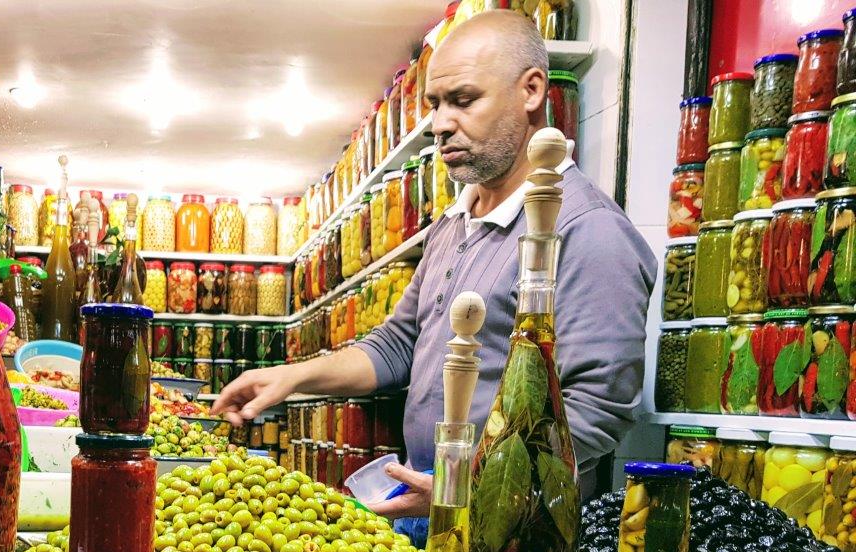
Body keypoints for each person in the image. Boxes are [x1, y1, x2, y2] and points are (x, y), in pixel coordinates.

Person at [212, 10, 656, 524]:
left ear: (532, 91)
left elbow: (597, 408)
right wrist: (291, 378)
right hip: (426, 502)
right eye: (435, 104)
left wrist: (467, 485)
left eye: (463, 101)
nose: (441, 124)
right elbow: (399, 345)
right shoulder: (455, 221)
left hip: (511, 532)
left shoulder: (589, 231)